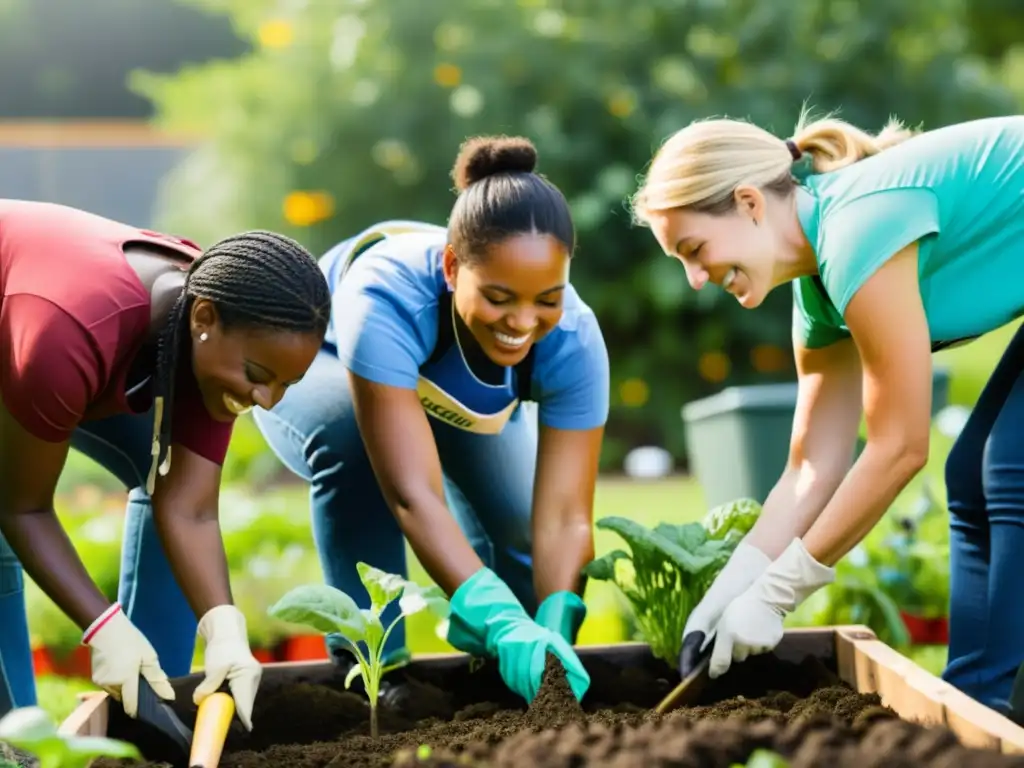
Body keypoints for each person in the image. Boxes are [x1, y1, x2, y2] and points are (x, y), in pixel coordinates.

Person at [629, 112, 1024, 714]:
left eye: (694, 250)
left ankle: (993, 713)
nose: (694, 279)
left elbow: (899, 448)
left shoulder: (858, 231)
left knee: (1010, 469)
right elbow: (813, 463)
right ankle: (978, 708)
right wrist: (732, 587)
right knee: (970, 476)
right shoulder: (818, 292)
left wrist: (780, 593)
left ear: (749, 203)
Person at [253, 134, 610, 704]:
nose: (523, 319)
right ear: (451, 267)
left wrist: (552, 622)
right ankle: (376, 669)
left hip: (454, 395)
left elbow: (566, 518)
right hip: (328, 366)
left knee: (519, 528)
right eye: (499, 297)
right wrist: (493, 614)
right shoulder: (386, 296)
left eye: (547, 298)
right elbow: (413, 495)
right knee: (352, 440)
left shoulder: (572, 337)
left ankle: (515, 673)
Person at [0, 199, 332, 728]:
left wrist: (225, 627)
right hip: (39, 327)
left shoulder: (219, 314)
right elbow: (23, 508)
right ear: (204, 319)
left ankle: (151, 709)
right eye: (257, 373)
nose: (265, 400)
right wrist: (102, 627)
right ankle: (12, 739)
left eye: (284, 384)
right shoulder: (69, 330)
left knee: (166, 486)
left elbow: (189, 509)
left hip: (65, 345)